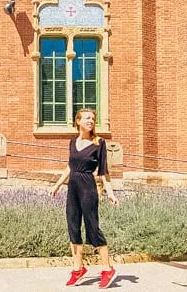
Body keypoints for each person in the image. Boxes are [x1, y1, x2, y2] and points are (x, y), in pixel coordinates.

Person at [51, 108, 119, 288]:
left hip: (88, 187)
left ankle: (106, 269)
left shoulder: (99, 143)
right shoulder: (73, 142)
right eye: (87, 118)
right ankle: (78, 269)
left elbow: (103, 171)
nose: (91, 121)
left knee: (92, 227)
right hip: (72, 187)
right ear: (78, 121)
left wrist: (110, 192)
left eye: (93, 119)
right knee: (73, 226)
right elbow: (70, 166)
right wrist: (58, 184)